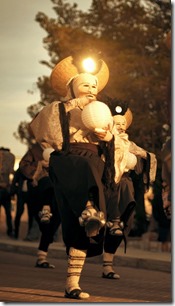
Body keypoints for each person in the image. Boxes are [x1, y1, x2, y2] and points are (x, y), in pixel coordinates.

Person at [30, 55, 113, 299]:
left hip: (94, 161)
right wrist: (75, 106)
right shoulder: (59, 108)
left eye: (95, 85)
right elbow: (49, 136)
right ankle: (88, 207)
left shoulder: (102, 112)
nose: (92, 89)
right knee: (79, 175)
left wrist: (108, 138)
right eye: (86, 84)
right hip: (68, 160)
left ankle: (72, 284)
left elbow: (115, 146)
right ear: (73, 86)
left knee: (84, 228)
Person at [99, 98, 157, 279]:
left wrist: (143, 157)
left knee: (125, 222)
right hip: (104, 183)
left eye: (123, 123)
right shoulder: (100, 140)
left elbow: (148, 157)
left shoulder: (130, 144)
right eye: (117, 123)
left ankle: (108, 265)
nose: (121, 126)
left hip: (124, 186)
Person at [19, 142, 61, 267]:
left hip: (57, 195)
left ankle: (41, 258)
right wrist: (38, 166)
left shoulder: (62, 149)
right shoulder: (35, 150)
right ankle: (41, 258)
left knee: (51, 228)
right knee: (46, 226)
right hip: (39, 193)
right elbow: (24, 166)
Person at [0, 147, 15, 237]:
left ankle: (10, 230)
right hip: (6, 189)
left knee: (8, 212)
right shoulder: (11, 157)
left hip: (4, 189)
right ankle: (10, 231)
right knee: (8, 212)